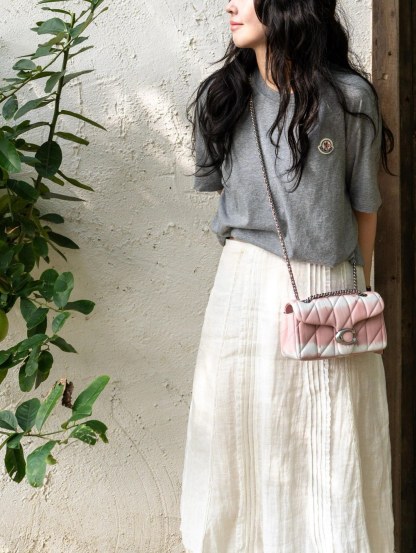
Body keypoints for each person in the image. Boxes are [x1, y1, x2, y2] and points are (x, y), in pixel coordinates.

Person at [179, 0, 396, 551]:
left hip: (329, 291)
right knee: (241, 439)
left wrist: (356, 297)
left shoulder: (348, 98)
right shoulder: (222, 97)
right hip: (243, 290)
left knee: (328, 447)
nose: (230, 5)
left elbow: (364, 208)